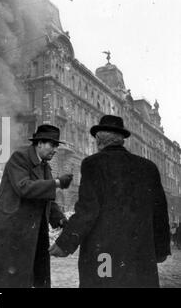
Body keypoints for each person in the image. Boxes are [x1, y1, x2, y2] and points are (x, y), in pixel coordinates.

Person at [50, 115, 171, 288]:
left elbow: (87, 211)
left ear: (98, 141)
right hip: (140, 255)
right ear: (121, 140)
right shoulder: (148, 167)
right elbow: (159, 213)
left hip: (104, 255)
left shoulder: (93, 164)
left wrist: (65, 243)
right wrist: (160, 250)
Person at [0, 124, 73, 288]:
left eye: (56, 146)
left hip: (33, 231)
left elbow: (46, 198)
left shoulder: (44, 166)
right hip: (13, 231)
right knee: (10, 281)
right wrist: (56, 182)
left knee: (32, 279)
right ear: (39, 143)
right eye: (52, 145)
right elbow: (24, 187)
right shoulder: (20, 158)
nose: (55, 149)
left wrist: (60, 220)